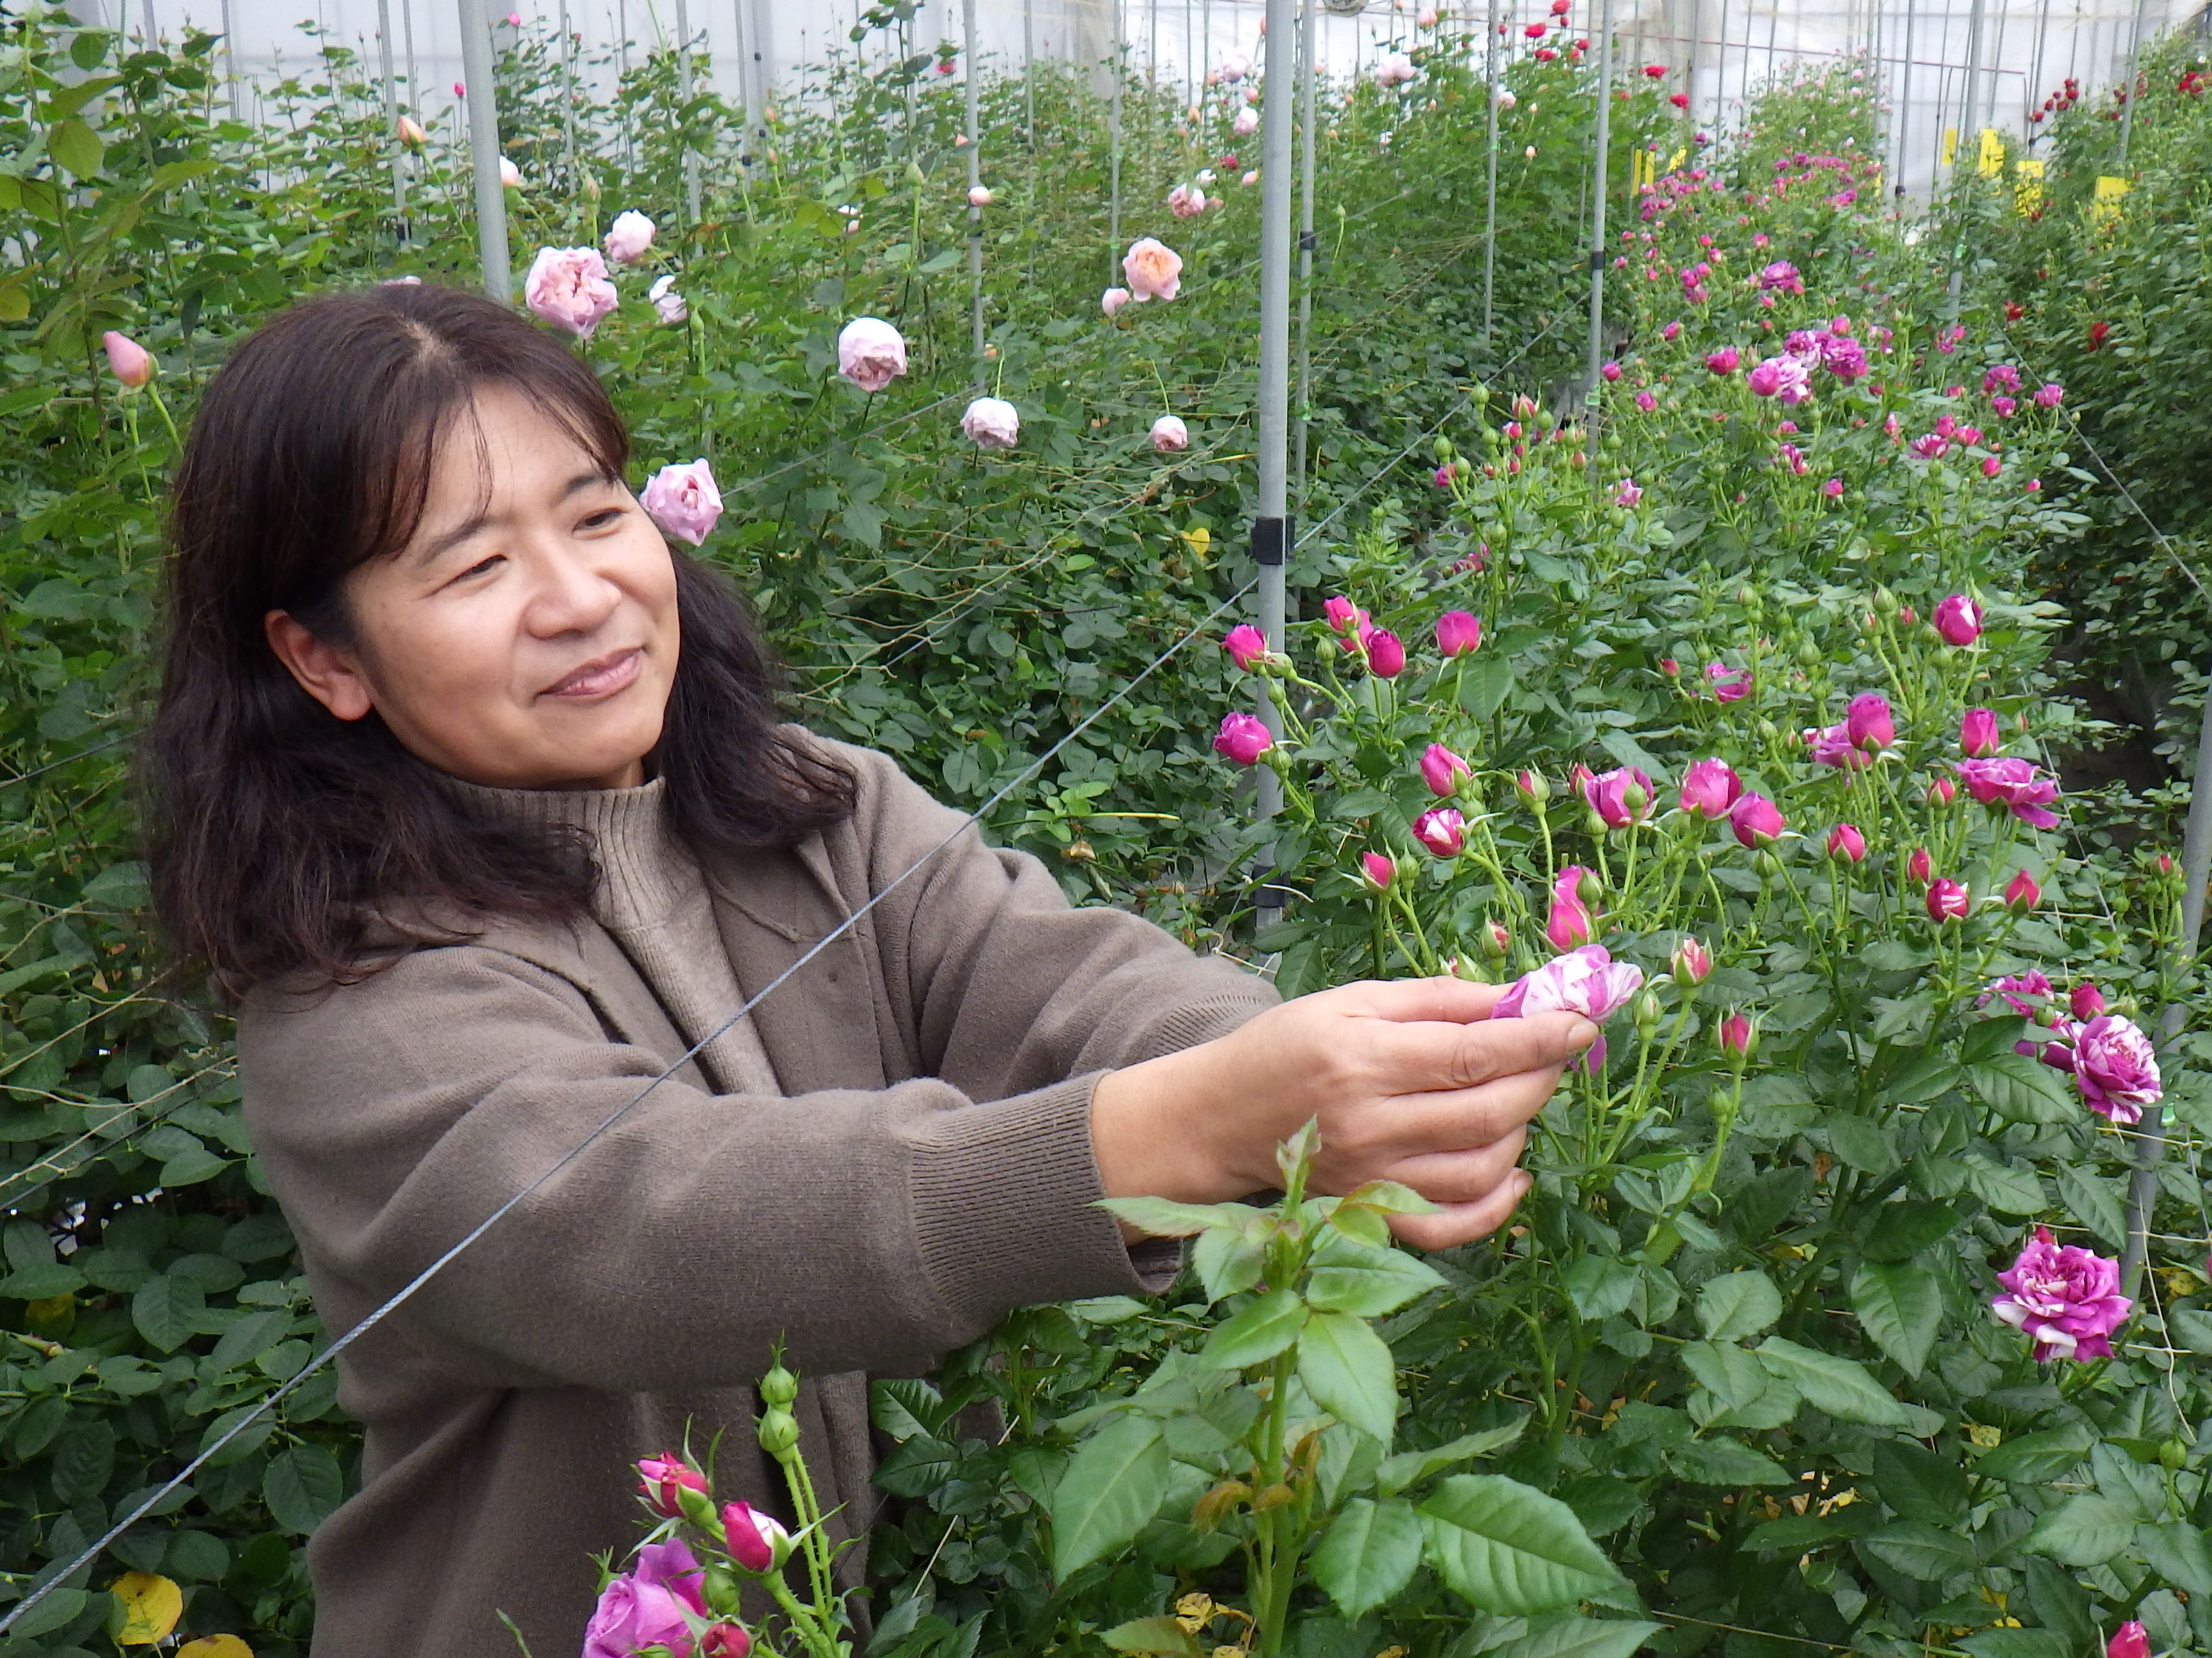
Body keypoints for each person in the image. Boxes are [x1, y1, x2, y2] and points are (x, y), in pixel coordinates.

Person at [143, 283, 1594, 1656]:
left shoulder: (804, 805)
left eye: (595, 515)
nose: (579, 597)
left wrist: (1311, 1075)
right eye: (473, 564)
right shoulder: (356, 996)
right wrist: (1203, 1127)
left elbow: (1059, 980)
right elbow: (656, 1225)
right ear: (322, 659)